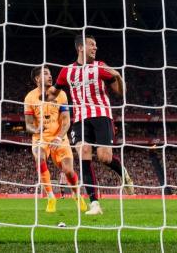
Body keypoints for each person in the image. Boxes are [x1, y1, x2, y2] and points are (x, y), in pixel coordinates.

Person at [47, 34, 133, 215]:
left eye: (96, 45)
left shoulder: (100, 67)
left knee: (104, 157)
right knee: (84, 153)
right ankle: (95, 204)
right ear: (80, 48)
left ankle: (122, 172)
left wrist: (117, 75)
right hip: (79, 119)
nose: (96, 48)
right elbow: (53, 92)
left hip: (101, 115)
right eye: (92, 45)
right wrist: (44, 96)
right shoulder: (66, 71)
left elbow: (121, 92)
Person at [24, 66, 87, 213]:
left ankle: (77, 195)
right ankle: (51, 197)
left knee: (68, 171)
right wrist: (36, 130)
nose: (50, 76)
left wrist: (58, 137)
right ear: (37, 79)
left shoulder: (61, 94)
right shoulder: (30, 97)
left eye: (50, 74)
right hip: (40, 138)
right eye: (45, 74)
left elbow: (66, 121)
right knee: (39, 157)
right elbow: (28, 125)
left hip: (60, 137)